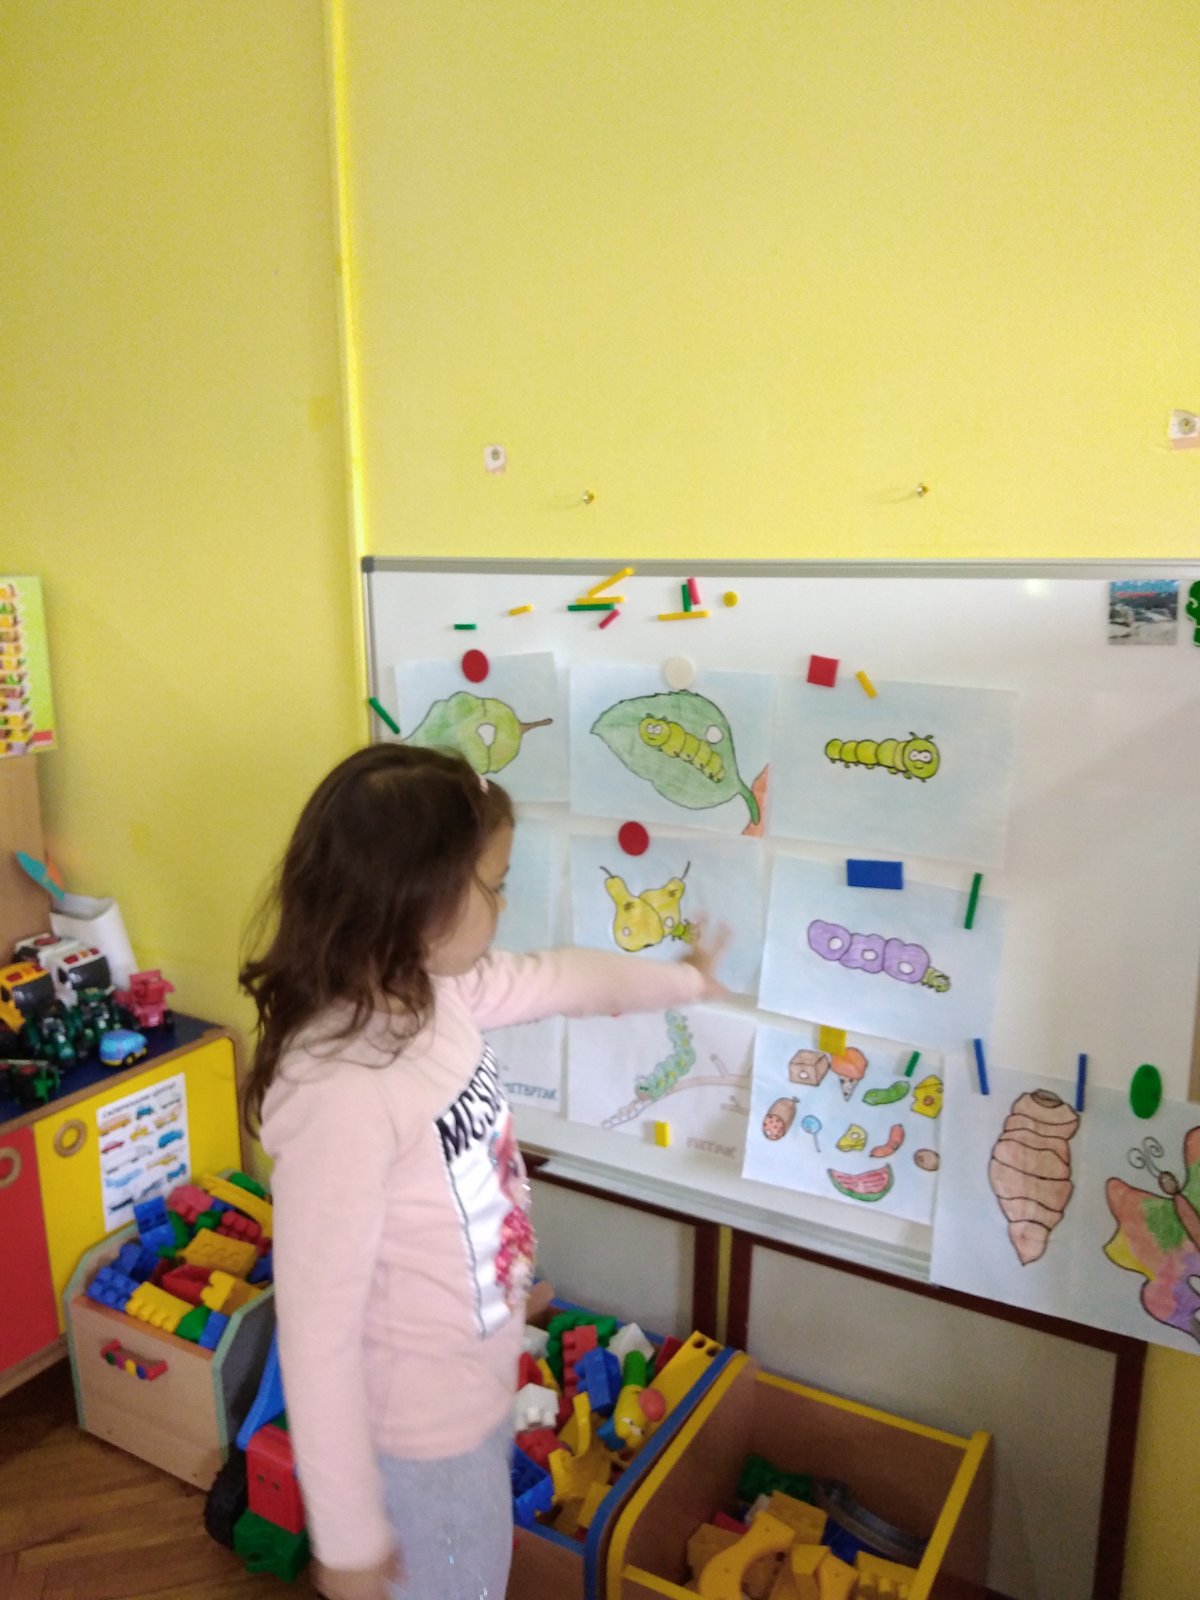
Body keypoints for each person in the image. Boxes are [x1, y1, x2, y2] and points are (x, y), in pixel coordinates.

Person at [239, 743, 727, 1600]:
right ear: (419, 900)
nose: (504, 905)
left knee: (477, 1573)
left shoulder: (436, 992)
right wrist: (349, 1540)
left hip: (476, 1387)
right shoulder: (342, 1090)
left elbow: (561, 978)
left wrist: (681, 983)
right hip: (418, 1430)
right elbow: (317, 1334)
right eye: (495, 885)